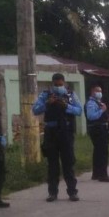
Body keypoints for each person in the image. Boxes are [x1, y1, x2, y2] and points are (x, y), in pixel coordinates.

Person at [33, 73, 82, 202]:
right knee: (52, 165)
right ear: (52, 84)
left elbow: (79, 110)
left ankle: (72, 192)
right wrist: (47, 104)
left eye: (61, 85)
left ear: (64, 83)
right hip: (51, 132)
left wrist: (66, 106)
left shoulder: (71, 95)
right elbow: (35, 110)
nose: (59, 87)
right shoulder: (45, 95)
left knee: (68, 163)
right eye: (56, 85)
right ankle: (52, 193)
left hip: (65, 132)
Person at [85, 85, 109, 182]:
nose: (100, 93)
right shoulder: (91, 103)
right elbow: (91, 116)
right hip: (97, 129)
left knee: (98, 151)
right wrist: (102, 110)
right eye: (97, 91)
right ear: (92, 91)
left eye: (101, 91)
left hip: (101, 129)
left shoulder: (98, 102)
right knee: (102, 152)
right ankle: (103, 175)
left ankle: (96, 174)